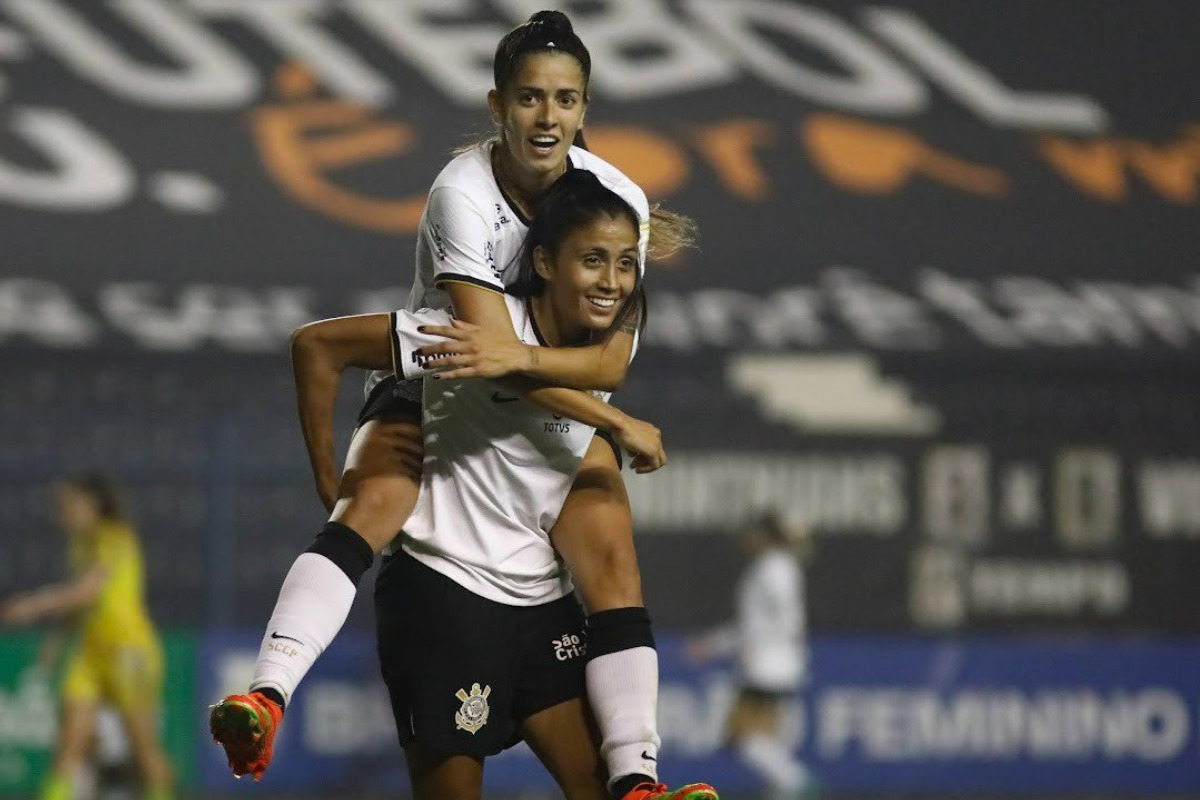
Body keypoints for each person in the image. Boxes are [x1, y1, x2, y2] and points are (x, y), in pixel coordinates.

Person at [211, 10, 701, 800]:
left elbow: (602, 354)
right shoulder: (461, 202)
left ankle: (639, 780)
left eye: (567, 100)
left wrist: (586, 398)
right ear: (497, 105)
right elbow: (483, 355)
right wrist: (327, 472)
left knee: (612, 555)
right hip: (451, 389)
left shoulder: (616, 202)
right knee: (370, 500)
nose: (549, 118)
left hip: (545, 412)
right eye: (531, 99)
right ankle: (266, 696)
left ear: (586, 108)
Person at [1, 473, 174, 800]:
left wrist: (32, 606)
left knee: (144, 750)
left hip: (128, 650)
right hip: (90, 654)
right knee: (67, 750)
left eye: (68, 505)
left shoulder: (115, 537)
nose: (61, 513)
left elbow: (87, 591)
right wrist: (55, 643)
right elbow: (80, 608)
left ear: (91, 505)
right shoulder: (80, 545)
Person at [687, 513, 814, 800]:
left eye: (753, 532)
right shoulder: (775, 566)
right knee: (755, 738)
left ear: (765, 535)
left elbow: (784, 620)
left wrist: (726, 646)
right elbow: (757, 624)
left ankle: (798, 784)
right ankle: (791, 784)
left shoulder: (774, 568)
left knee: (742, 737)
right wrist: (715, 644)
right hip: (774, 663)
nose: (746, 537)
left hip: (769, 666)